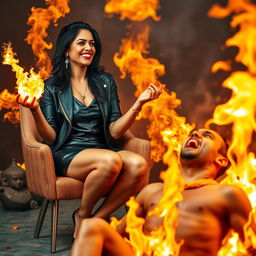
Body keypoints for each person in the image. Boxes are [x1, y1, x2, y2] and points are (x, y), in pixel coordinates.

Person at [16, 21, 161, 237]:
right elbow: (51, 137)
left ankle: (96, 219)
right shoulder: (51, 87)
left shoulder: (105, 81)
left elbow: (114, 131)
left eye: (92, 44)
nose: (89, 48)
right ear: (67, 48)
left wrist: (138, 104)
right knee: (111, 160)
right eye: (81, 43)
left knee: (139, 164)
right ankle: (83, 215)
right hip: (67, 152)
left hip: (102, 150)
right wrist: (36, 110)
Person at [70, 128, 255, 256]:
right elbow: (116, 238)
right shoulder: (152, 191)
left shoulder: (227, 194)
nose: (196, 135)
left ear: (221, 160)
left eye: (206, 136)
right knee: (92, 226)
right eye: (193, 134)